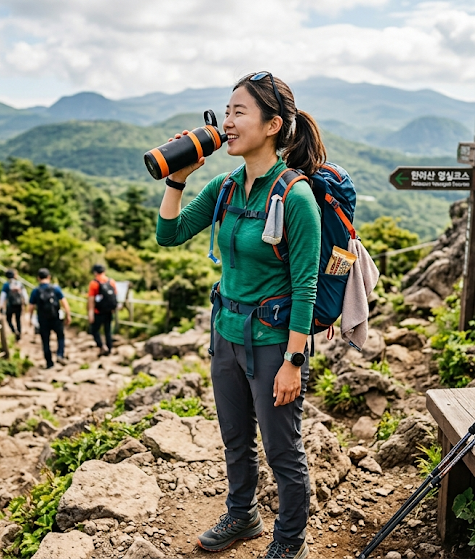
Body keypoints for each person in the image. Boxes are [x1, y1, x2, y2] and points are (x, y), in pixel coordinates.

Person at [156, 71, 324, 559]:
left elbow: (305, 285)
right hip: (226, 333)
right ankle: (243, 515)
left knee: (282, 451)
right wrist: (178, 178)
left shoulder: (295, 196)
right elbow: (169, 235)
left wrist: (294, 360)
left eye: (238, 112)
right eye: (226, 111)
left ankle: (290, 541)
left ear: (272, 125)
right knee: (235, 439)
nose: (227, 122)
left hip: (274, 343)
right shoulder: (227, 186)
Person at [27, 268, 71, 369]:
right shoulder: (55, 288)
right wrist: (68, 315)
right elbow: (64, 302)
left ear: (38, 278)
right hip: (56, 317)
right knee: (60, 336)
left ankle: (49, 362)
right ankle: (60, 354)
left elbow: (31, 307)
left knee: (45, 340)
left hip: (42, 319)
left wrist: (29, 318)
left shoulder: (36, 291)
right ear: (49, 277)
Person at [87, 263, 117, 355]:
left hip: (98, 311)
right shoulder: (111, 281)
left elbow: (91, 299)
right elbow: (115, 295)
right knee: (107, 330)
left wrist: (90, 313)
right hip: (109, 311)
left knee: (94, 330)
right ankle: (109, 348)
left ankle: (101, 346)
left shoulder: (94, 283)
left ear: (95, 272)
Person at [0, 269, 25, 341]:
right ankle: (19, 333)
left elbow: (3, 296)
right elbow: (24, 294)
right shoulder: (19, 284)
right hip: (19, 305)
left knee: (8, 319)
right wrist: (25, 302)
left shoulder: (6, 285)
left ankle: (14, 330)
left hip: (10, 305)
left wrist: (1, 305)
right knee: (18, 319)